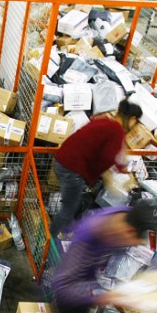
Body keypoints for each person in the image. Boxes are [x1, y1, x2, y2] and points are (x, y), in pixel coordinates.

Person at [51, 204, 149, 313]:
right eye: (127, 240)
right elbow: (63, 285)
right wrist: (103, 296)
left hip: (88, 282)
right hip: (69, 290)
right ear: (126, 230)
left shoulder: (122, 215)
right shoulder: (86, 238)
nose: (124, 245)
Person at [50, 99, 144, 235]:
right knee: (68, 210)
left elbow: (109, 152)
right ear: (132, 119)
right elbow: (108, 157)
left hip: (62, 161)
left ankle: (67, 232)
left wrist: (120, 167)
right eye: (136, 122)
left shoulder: (105, 121)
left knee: (73, 202)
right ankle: (48, 243)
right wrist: (110, 178)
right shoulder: (116, 130)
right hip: (71, 169)